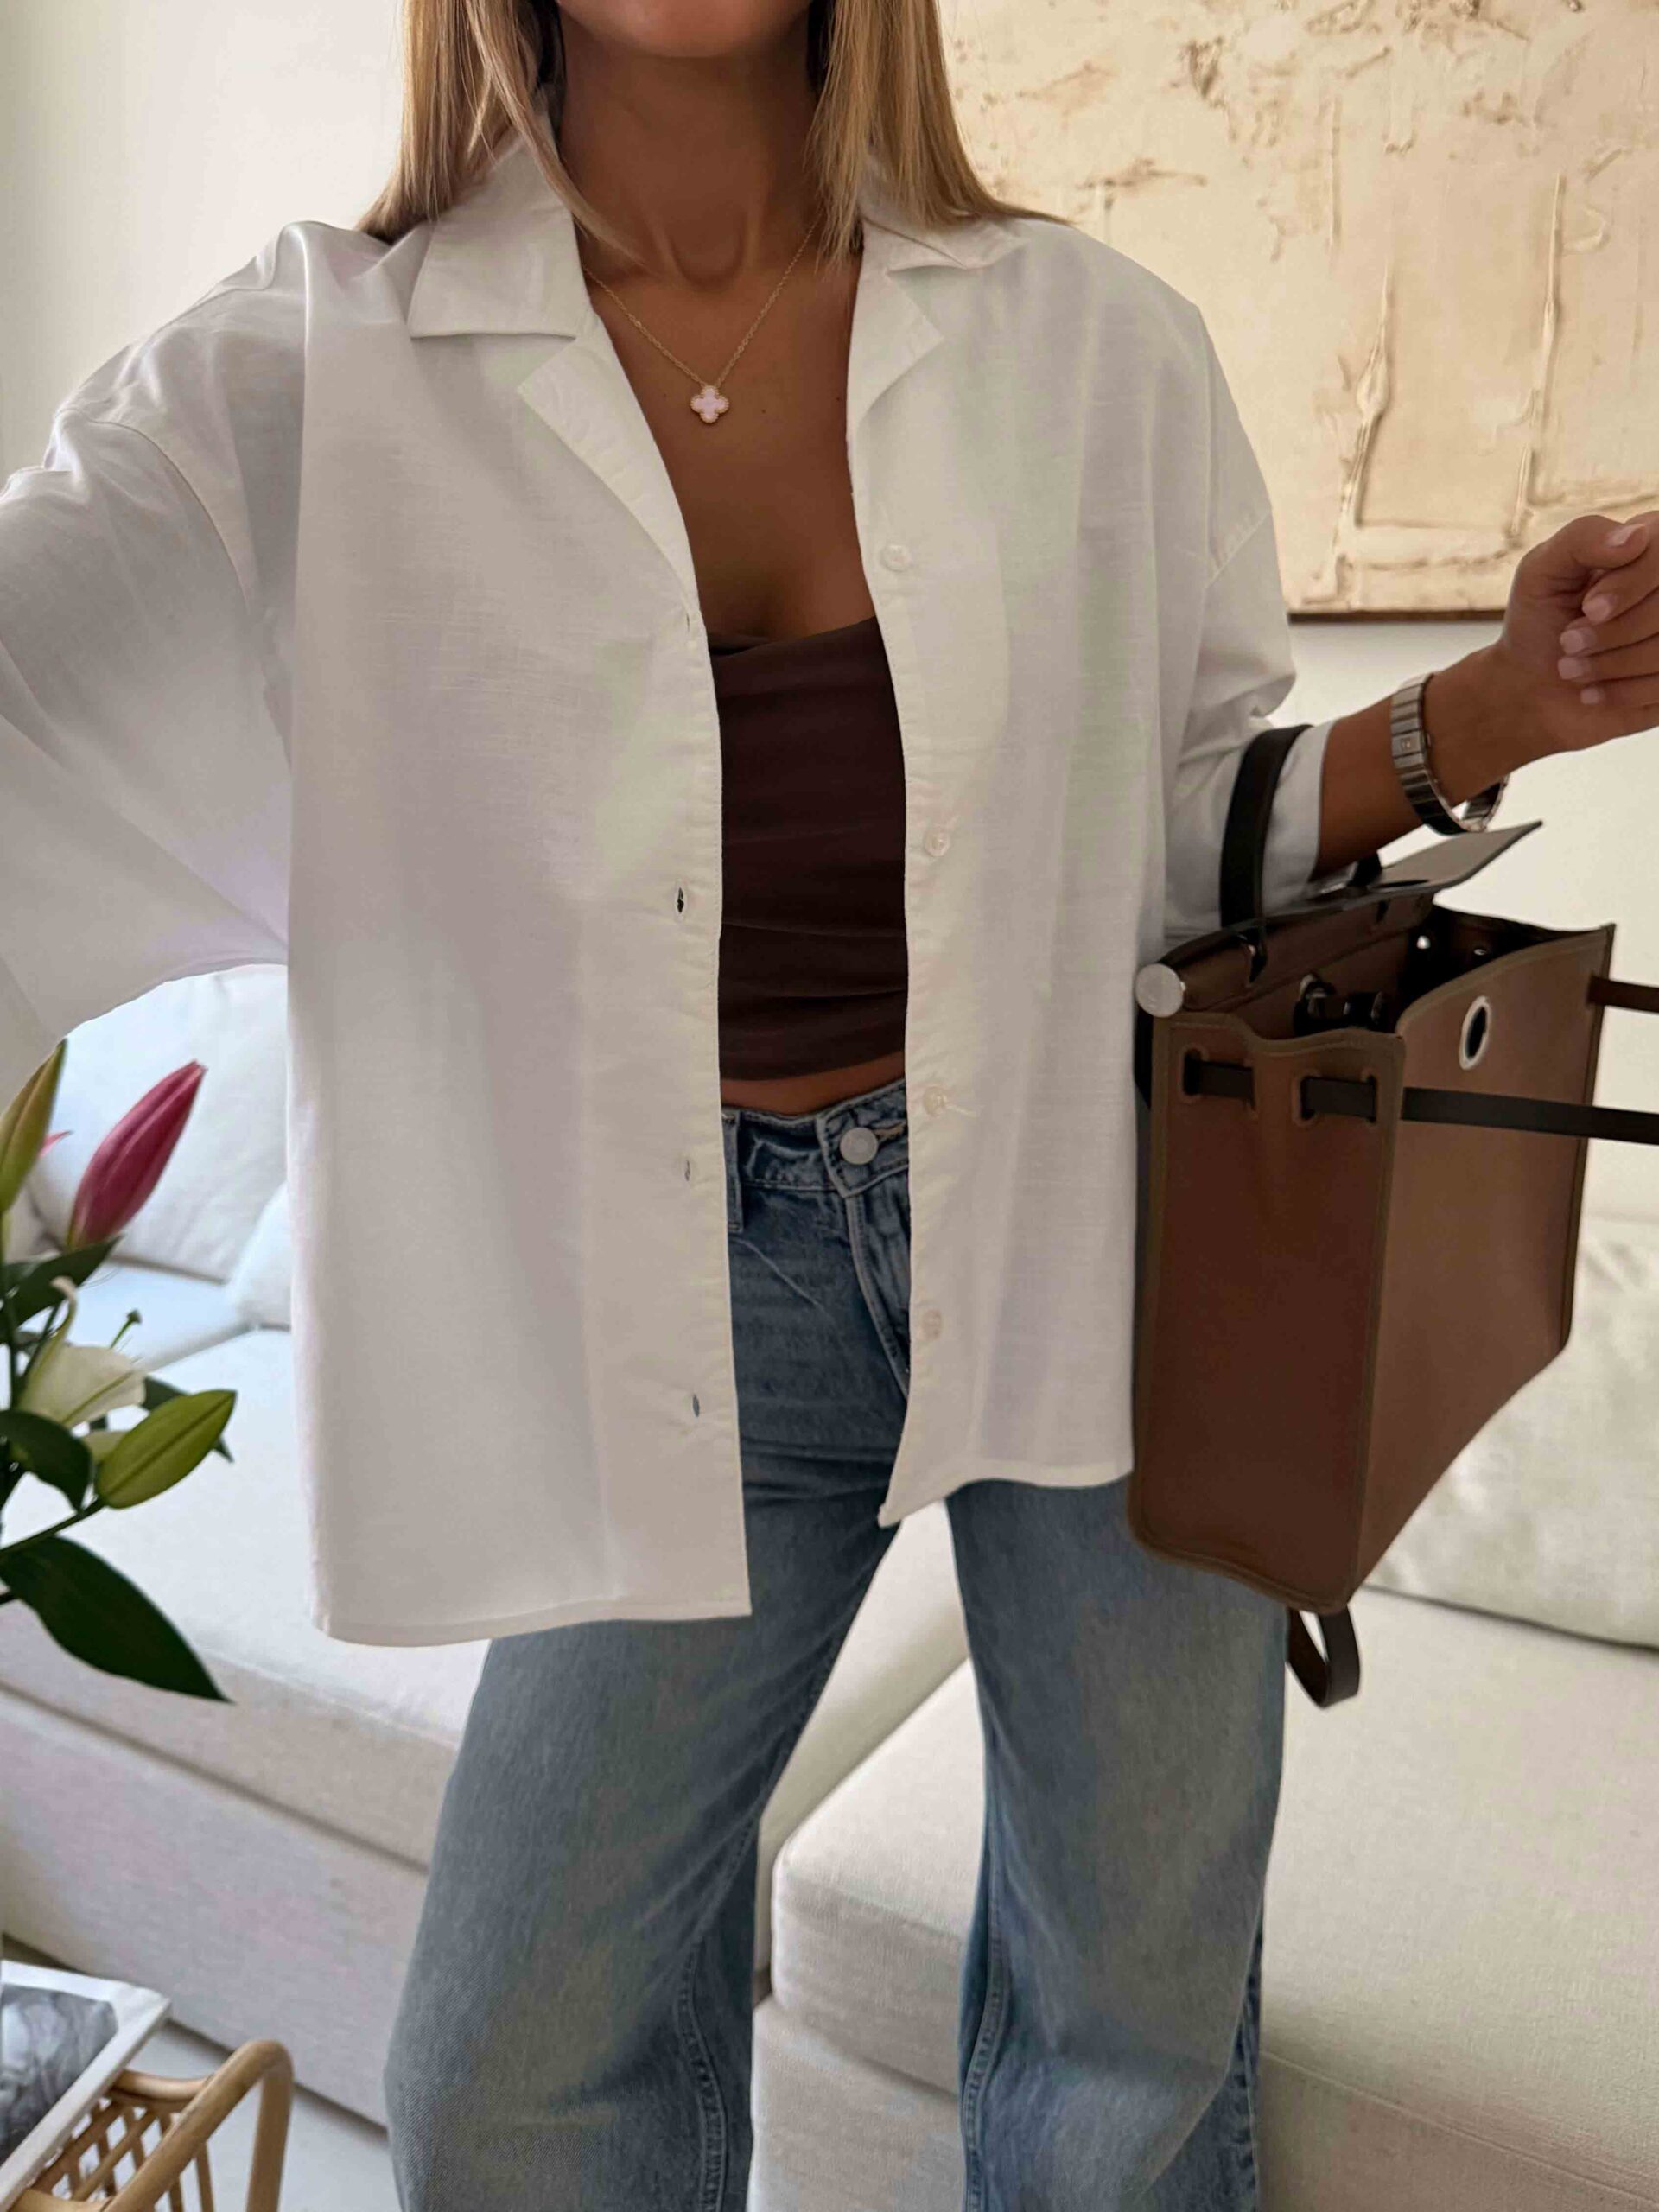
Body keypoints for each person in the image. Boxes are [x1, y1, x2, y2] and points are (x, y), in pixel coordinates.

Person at [3, 1, 1653, 2204]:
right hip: (673, 1289)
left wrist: (1497, 704)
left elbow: (1170, 836)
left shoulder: (1092, 343)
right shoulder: (310, 375)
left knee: (1132, 2034)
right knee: (510, 2074)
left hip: (1108, 1227)